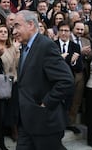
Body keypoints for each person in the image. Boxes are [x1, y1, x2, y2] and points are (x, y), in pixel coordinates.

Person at [12, 10, 74, 150]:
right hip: (27, 122)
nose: (14, 31)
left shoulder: (45, 46)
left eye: (17, 26)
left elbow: (66, 80)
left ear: (30, 25)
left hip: (45, 123)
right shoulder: (25, 47)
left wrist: (47, 102)